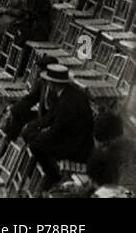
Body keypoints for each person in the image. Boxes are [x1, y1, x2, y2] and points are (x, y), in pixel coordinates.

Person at [22, 64, 94, 192]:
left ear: (52, 84)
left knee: (35, 145)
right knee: (33, 137)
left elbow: (54, 133)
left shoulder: (67, 103)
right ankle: (40, 174)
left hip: (77, 147)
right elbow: (50, 117)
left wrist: (33, 135)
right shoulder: (67, 93)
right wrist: (33, 125)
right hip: (73, 139)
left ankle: (53, 176)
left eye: (49, 82)